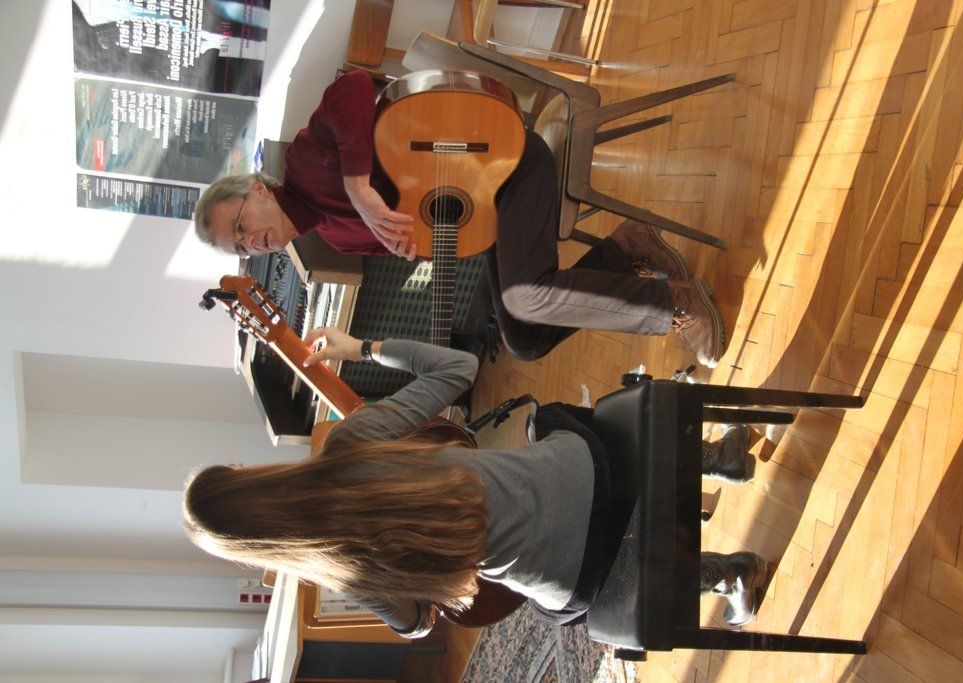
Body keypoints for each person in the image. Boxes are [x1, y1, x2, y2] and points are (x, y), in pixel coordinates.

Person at [183, 328, 767, 636]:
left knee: (555, 609)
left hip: (581, 578)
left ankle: (726, 575)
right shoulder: (349, 443)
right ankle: (718, 458)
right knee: (552, 420)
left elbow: (415, 625)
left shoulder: (345, 573)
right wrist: (362, 347)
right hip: (586, 473)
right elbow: (459, 368)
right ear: (249, 478)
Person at [191, 70, 727, 367]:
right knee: (523, 341)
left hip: (502, 160)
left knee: (527, 296)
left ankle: (677, 304)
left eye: (240, 225)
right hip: (485, 209)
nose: (251, 241)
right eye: (241, 248)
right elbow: (425, 230)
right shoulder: (333, 237)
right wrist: (418, 245)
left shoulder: (306, 162)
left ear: (257, 189)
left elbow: (350, 86)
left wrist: (357, 185)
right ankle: (626, 249)